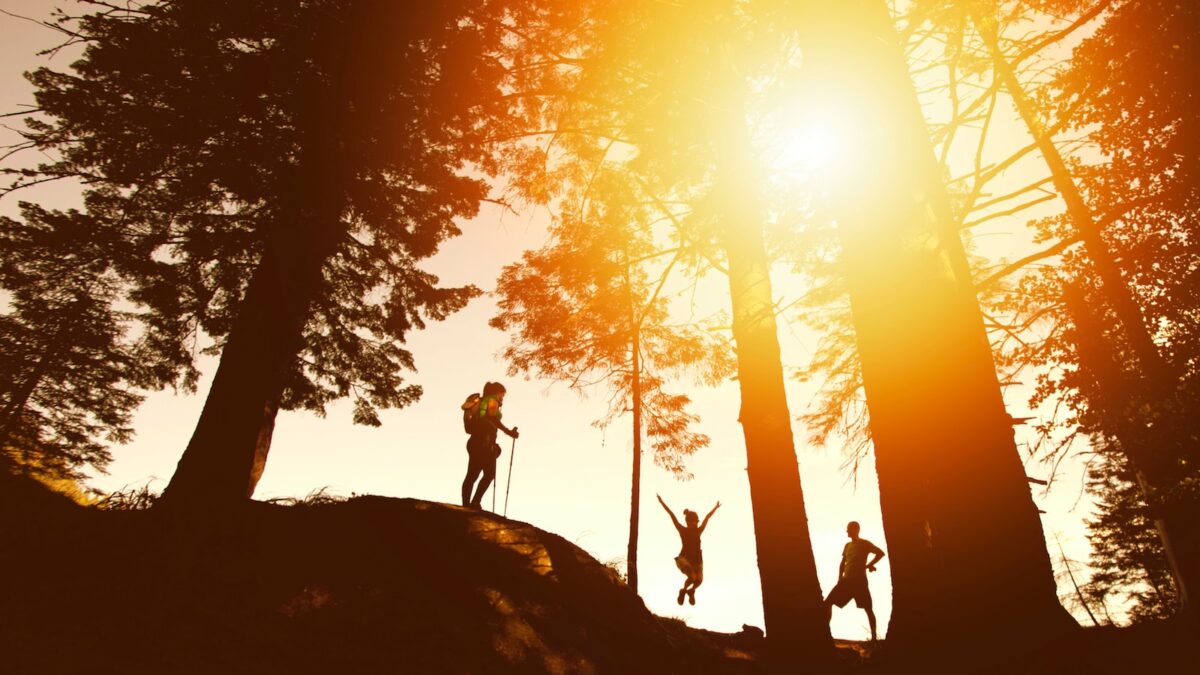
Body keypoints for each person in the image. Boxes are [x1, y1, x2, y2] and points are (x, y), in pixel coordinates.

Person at [824, 520, 886, 641]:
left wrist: (869, 565)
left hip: (860, 582)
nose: (847, 531)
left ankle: (874, 637)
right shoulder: (847, 546)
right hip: (846, 581)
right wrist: (839, 578)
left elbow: (880, 553)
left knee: (868, 608)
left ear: (856, 530)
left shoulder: (865, 544)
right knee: (827, 603)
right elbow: (843, 562)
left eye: (849, 529)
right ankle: (826, 632)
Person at [461, 381, 518, 509]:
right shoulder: (492, 400)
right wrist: (509, 432)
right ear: (497, 392)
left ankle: (468, 503)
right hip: (483, 443)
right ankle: (473, 503)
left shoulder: (483, 401)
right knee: (483, 474)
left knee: (475, 474)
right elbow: (492, 418)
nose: (503, 397)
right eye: (503, 394)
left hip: (477, 441)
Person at [657, 494, 720, 606]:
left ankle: (691, 591)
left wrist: (715, 508)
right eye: (692, 523)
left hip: (697, 560)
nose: (694, 525)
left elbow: (707, 517)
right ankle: (683, 591)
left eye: (695, 523)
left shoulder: (699, 530)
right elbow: (672, 515)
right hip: (685, 558)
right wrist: (662, 503)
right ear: (688, 523)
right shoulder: (683, 530)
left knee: (699, 580)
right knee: (692, 577)